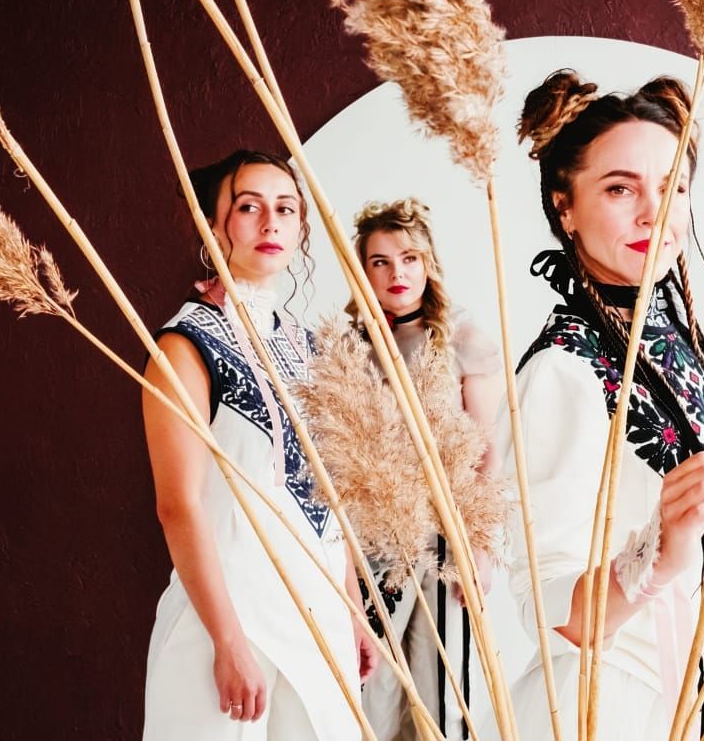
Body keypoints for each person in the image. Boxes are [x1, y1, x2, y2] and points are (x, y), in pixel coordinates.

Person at [500, 70, 704, 739]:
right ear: (565, 206)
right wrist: (662, 551)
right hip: (621, 703)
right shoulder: (565, 370)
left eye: (672, 187)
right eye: (620, 189)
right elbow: (553, 612)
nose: (655, 212)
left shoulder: (676, 341)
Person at [141, 150, 370, 740]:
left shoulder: (306, 346)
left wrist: (353, 613)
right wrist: (226, 640)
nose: (271, 223)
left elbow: (327, 497)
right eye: (249, 207)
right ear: (212, 225)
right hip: (228, 621)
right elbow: (178, 505)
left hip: (316, 618)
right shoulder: (183, 346)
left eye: (286, 209)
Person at [347, 198, 500, 740]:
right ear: (363, 270)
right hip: (375, 539)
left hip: (443, 537)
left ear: (428, 263)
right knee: (374, 690)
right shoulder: (351, 347)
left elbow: (486, 452)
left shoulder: (460, 337)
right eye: (381, 261)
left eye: (409, 258)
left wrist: (480, 547)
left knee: (442, 694)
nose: (397, 273)